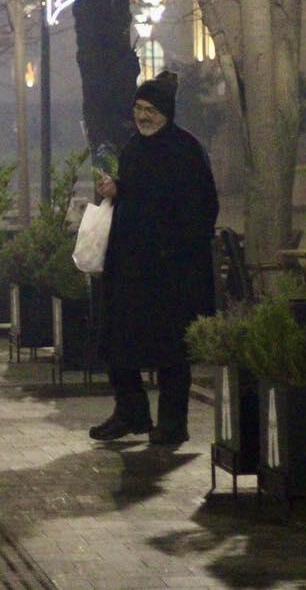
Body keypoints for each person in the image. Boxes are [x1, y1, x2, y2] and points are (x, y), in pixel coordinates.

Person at [90, 70, 218, 448]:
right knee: (118, 342)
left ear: (166, 112)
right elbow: (138, 191)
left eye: (149, 109)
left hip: (171, 272)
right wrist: (116, 188)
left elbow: (200, 207)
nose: (143, 116)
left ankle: (172, 424)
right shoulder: (134, 147)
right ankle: (131, 412)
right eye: (138, 109)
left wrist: (177, 246)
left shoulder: (186, 150)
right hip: (130, 269)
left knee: (171, 351)